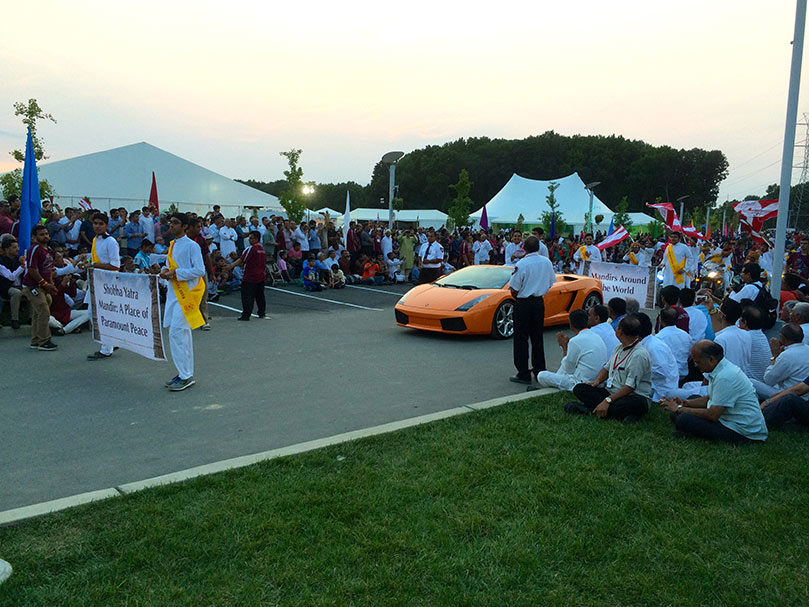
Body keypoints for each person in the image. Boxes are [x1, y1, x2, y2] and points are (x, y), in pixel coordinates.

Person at [661, 340, 767, 443]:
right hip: (729, 420)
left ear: (711, 359)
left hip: (744, 431)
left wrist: (680, 409)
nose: (695, 365)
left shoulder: (724, 377)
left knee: (684, 419)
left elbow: (712, 415)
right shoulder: (720, 369)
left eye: (698, 362)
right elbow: (711, 398)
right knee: (690, 400)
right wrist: (685, 403)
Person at [564, 314, 653, 422]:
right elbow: (606, 368)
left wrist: (608, 400)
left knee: (634, 404)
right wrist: (596, 382)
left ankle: (590, 411)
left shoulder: (638, 355)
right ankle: (614, 413)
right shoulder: (619, 347)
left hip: (633, 396)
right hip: (612, 391)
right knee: (579, 388)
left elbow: (630, 387)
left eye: (617, 327)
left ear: (620, 332)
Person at [160, 213, 206, 391]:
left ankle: (186, 375)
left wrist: (175, 274)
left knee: (177, 333)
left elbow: (199, 270)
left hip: (188, 295)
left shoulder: (192, 246)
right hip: (174, 295)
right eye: (171, 223)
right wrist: (164, 272)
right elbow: (169, 267)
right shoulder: (172, 246)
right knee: (180, 334)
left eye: (176, 223)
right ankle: (184, 373)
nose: (172, 226)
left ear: (185, 227)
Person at [508, 236, 555, 384]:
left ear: (524, 247)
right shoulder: (546, 262)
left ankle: (523, 372)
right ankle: (539, 370)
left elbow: (514, 289)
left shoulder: (522, 264)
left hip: (523, 302)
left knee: (521, 338)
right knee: (537, 337)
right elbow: (550, 283)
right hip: (538, 301)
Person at [536, 309, 608, 390]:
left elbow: (568, 369)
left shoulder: (575, 341)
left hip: (581, 383)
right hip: (598, 380)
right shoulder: (596, 336)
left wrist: (564, 347)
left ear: (571, 324)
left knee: (541, 375)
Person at [83, 213, 121, 361]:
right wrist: (86, 260)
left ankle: (106, 348)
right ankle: (111, 342)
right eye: (95, 223)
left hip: (107, 283)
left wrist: (93, 265)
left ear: (106, 225)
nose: (97, 226)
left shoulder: (111, 241)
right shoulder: (94, 240)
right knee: (93, 313)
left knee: (102, 315)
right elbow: (95, 257)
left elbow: (115, 265)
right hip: (95, 281)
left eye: (100, 223)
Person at [22, 224, 58, 351]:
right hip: (33, 286)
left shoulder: (48, 250)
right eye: (41, 234)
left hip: (44, 285)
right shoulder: (35, 249)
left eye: (46, 234)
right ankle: (44, 341)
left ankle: (35, 340)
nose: (45, 236)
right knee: (43, 310)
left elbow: (48, 269)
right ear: (34, 237)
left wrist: (51, 284)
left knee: (39, 313)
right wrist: (44, 283)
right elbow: (31, 269)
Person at [751, 323, 809, 399]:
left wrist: (775, 357)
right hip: (804, 394)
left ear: (783, 338)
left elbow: (768, 380)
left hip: (787, 395)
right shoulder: (807, 348)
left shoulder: (787, 355)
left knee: (750, 381)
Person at [636, 311, 679, 401]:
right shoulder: (646, 343)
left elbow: (661, 371)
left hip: (660, 390)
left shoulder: (654, 346)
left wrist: (637, 371)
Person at [226, 230, 267, 321]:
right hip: (260, 275)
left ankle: (246, 314)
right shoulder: (262, 249)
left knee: (247, 296)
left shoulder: (251, 249)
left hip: (250, 276)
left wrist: (231, 266)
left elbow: (242, 259)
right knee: (260, 296)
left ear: (256, 239)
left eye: (251, 238)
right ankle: (261, 312)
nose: (249, 240)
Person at [713, 298, 751, 374]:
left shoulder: (720, 338)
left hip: (725, 380)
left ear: (721, 315)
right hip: (742, 377)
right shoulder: (746, 334)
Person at [655, 307, 691, 379]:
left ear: (660, 320)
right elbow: (689, 355)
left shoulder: (659, 338)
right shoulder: (686, 335)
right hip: (683, 374)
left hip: (667, 376)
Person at [0, 235, 24, 329]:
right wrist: (22, 267)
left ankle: (31, 318)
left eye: (17, 247)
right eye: (14, 247)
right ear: (6, 250)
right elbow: (11, 277)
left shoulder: (18, 260)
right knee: (16, 293)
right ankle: (15, 319)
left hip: (21, 285)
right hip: (7, 288)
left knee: (33, 291)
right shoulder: (1, 262)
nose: (17, 249)